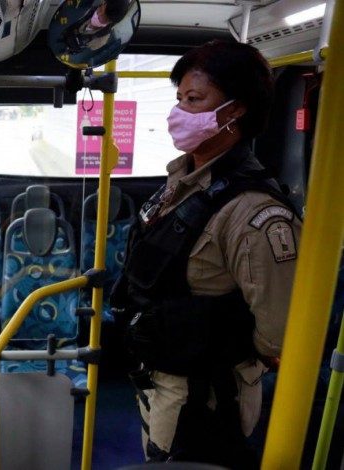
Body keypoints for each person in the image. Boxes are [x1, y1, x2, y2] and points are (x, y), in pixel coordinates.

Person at [110, 40, 302, 468]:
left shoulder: (254, 212)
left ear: (236, 110)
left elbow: (278, 332)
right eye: (179, 98)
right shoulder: (184, 182)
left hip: (205, 396)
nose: (178, 112)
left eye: (194, 100)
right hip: (160, 379)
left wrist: (221, 346)